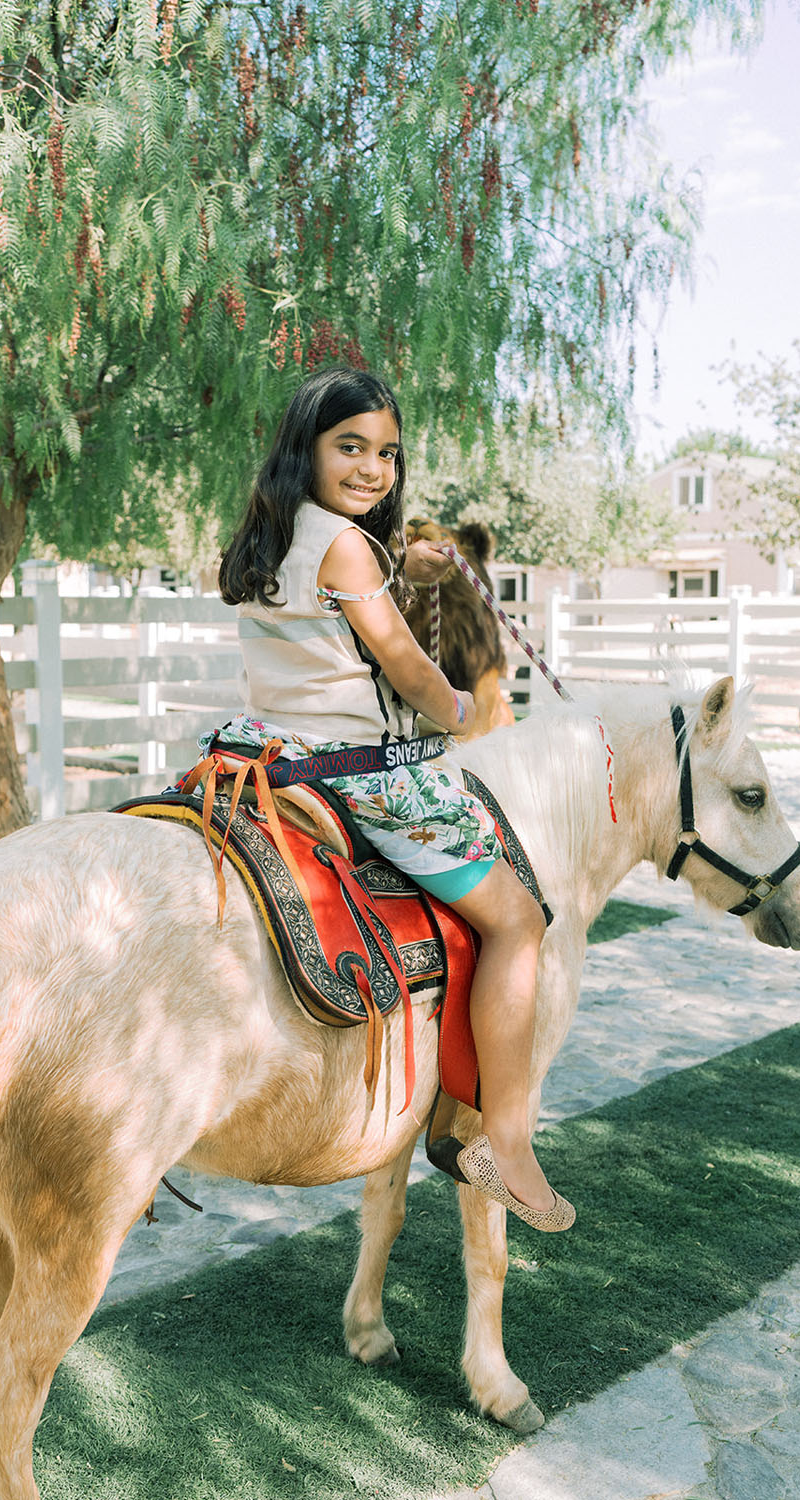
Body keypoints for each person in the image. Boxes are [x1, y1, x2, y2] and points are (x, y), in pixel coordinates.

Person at [214, 367, 574, 1232]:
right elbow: (405, 664)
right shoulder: (344, 545)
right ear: (307, 448)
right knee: (520, 920)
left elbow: (335, 621)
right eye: (352, 449)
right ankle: (510, 1141)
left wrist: (401, 565)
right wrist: (455, 709)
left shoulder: (276, 538)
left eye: (387, 453)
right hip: (362, 772)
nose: (374, 469)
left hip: (275, 752)